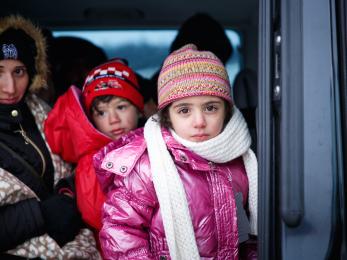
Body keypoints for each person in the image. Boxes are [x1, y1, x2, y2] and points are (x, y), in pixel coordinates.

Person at [94, 44, 258, 259]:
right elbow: (122, 233)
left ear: (226, 111)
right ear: (168, 116)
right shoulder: (147, 166)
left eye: (210, 108)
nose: (199, 122)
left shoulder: (240, 163)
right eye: (184, 110)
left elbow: (247, 238)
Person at [0, 15, 100, 259]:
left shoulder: (45, 115)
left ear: (33, 74)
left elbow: (79, 168)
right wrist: (42, 214)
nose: (9, 87)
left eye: (19, 72)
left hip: (76, 245)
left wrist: (69, 192)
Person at [44, 59, 144, 235]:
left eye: (121, 107)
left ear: (139, 108)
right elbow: (97, 215)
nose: (113, 119)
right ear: (91, 118)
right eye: (102, 112)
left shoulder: (158, 144)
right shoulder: (93, 162)